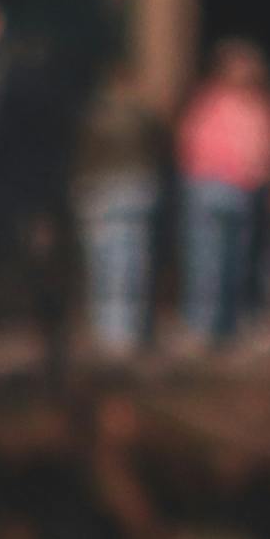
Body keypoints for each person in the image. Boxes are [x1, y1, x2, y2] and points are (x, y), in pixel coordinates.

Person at [174, 40, 270, 347]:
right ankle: (202, 325)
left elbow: (264, 149)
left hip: (242, 192)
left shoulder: (256, 106)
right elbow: (192, 145)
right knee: (205, 260)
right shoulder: (210, 103)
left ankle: (226, 326)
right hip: (210, 188)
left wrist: (259, 174)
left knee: (236, 262)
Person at [73, 65, 165, 354]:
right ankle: (128, 330)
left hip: (99, 191)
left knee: (103, 264)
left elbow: (82, 153)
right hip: (137, 189)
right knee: (132, 263)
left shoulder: (92, 114)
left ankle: (108, 329)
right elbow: (159, 146)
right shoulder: (144, 115)